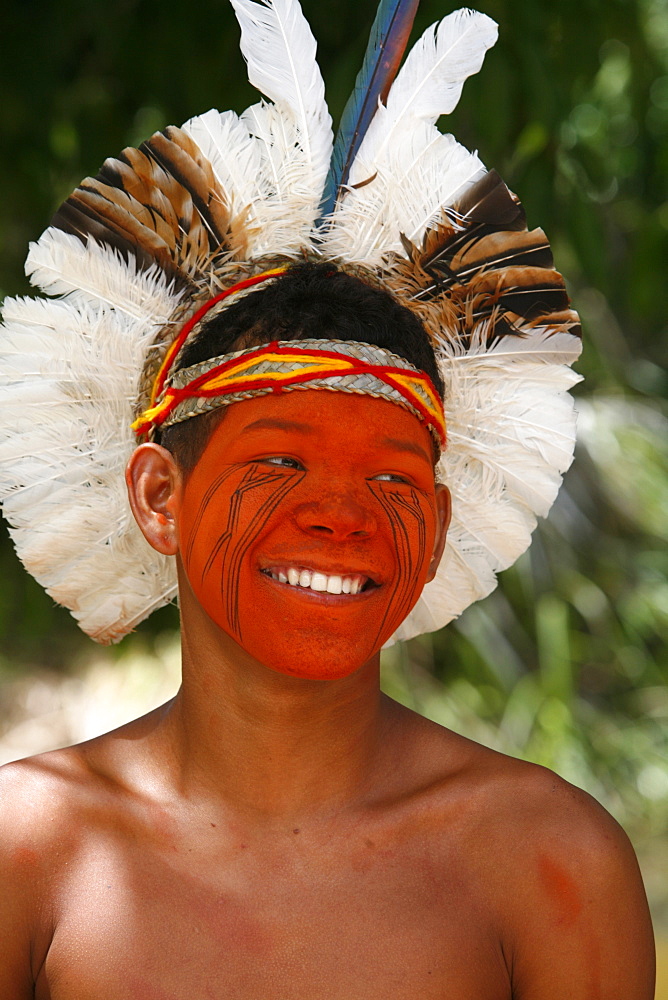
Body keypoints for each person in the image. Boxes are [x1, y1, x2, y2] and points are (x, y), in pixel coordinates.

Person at [0, 2, 655, 996]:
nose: (340, 516)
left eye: (392, 479)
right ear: (158, 494)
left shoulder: (545, 864)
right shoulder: (30, 856)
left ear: (432, 530)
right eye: (277, 463)